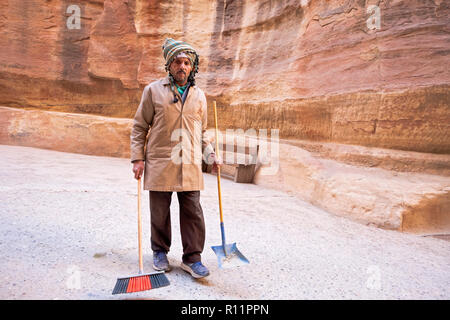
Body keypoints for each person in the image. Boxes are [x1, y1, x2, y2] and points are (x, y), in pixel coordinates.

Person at [130, 38, 220, 279]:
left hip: (190, 163)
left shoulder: (200, 96)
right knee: (159, 211)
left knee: (193, 211)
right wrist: (137, 158)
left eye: (187, 63)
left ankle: (193, 259)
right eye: (178, 62)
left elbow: (203, 132)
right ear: (169, 65)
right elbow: (140, 126)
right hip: (161, 161)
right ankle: (159, 252)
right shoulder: (153, 91)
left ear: (192, 67)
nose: (182, 67)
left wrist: (210, 154)